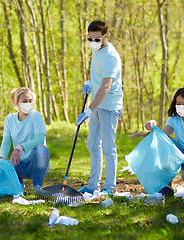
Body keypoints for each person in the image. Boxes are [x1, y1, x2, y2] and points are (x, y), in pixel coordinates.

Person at [75, 20, 123, 196]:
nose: (92, 42)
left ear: (105, 36)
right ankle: (93, 185)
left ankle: (110, 187)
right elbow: (96, 71)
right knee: (93, 145)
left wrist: (88, 110)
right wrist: (89, 81)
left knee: (108, 147)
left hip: (109, 106)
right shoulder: (96, 50)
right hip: (96, 104)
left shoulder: (111, 56)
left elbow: (105, 87)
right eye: (90, 38)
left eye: (96, 39)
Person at [0, 87, 50, 192]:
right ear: (16, 102)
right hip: (19, 165)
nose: (28, 103)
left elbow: (40, 140)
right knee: (3, 163)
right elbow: (6, 141)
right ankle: (18, 185)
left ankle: (38, 187)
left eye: (30, 101)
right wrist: (2, 158)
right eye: (24, 101)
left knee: (41, 149)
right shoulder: (9, 119)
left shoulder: (35, 116)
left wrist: (20, 147)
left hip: (36, 165)